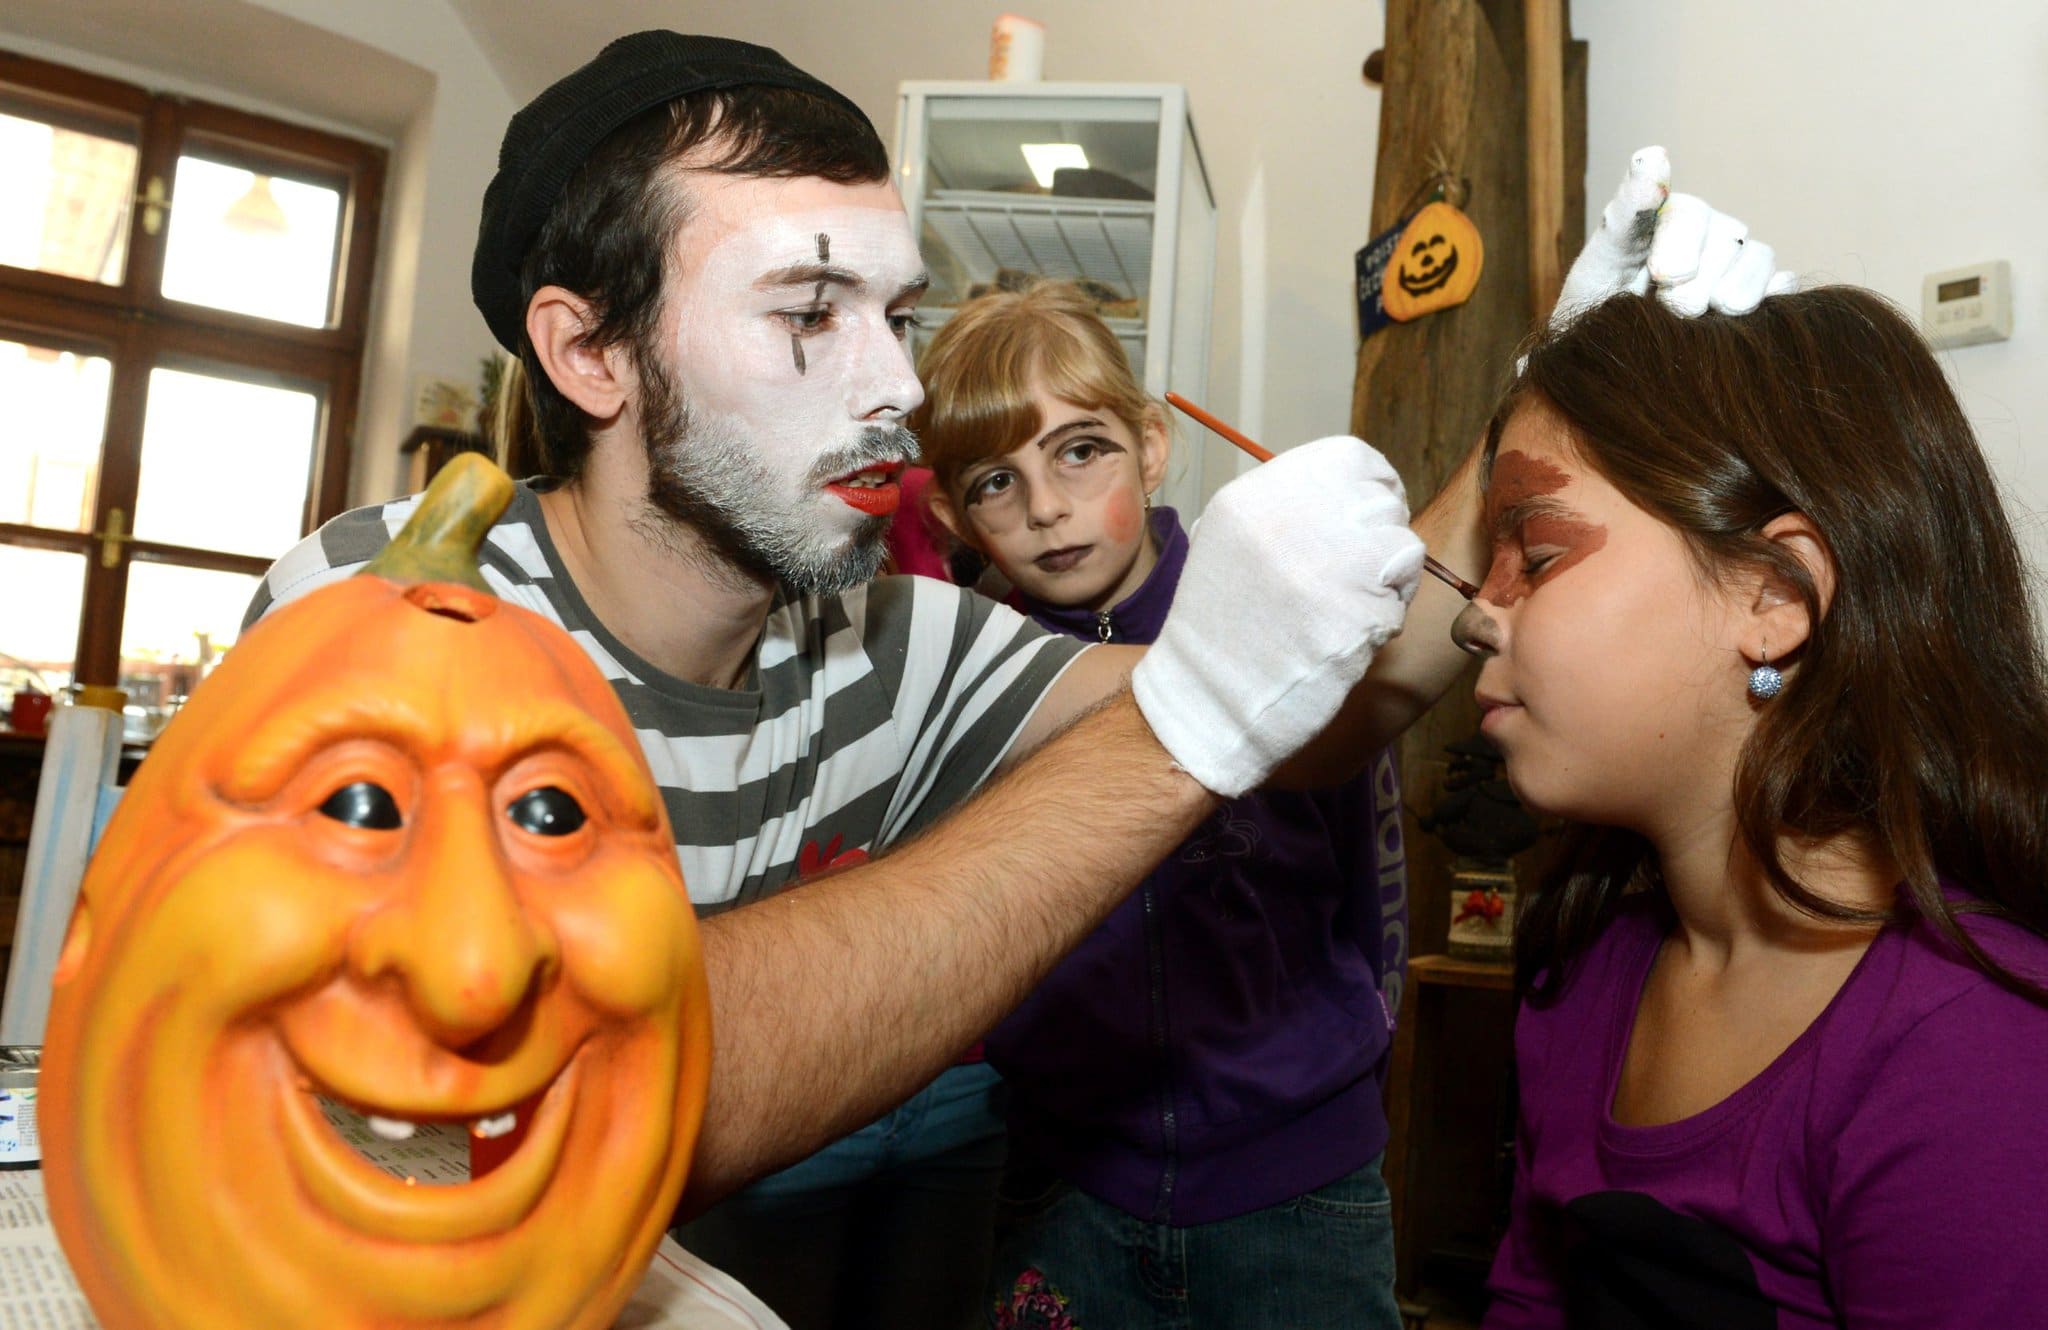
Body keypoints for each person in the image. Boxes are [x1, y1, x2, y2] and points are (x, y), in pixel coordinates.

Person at [243, 23, 1765, 1318]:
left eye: (895, 315)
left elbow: (1313, 717)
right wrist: (1198, 705)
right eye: (807, 313)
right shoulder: (387, 604)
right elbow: (565, 1086)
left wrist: (1540, 390)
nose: (899, 386)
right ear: (589, 356)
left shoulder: (890, 643)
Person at [1460, 287, 2048, 1328]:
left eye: (1536, 556)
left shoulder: (1972, 1054)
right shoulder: (1586, 966)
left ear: (1773, 596)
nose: (1473, 612)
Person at [908, 280, 1408, 1330]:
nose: (1045, 506)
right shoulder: (964, 675)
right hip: (1062, 1182)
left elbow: (1371, 877)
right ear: (951, 512)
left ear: (1149, 444)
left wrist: (1355, 1055)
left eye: (1078, 451)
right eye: (998, 479)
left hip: (1301, 1185)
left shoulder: (1271, 625)